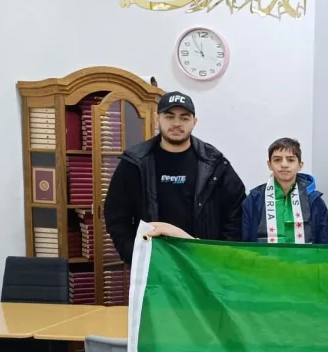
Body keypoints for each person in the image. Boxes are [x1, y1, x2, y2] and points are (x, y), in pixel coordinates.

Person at [104, 91, 246, 264]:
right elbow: (116, 215)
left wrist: (218, 256)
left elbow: (236, 211)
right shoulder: (135, 163)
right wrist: (133, 254)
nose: (177, 123)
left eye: (184, 118)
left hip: (201, 263)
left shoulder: (214, 163)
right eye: (169, 116)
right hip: (152, 262)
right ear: (157, 118)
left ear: (194, 122)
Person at [241, 138, 328, 244]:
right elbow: (245, 242)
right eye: (277, 160)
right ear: (269, 165)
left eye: (290, 160)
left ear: (300, 165)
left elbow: (323, 244)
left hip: (305, 255)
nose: (284, 165)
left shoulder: (315, 201)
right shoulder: (254, 200)